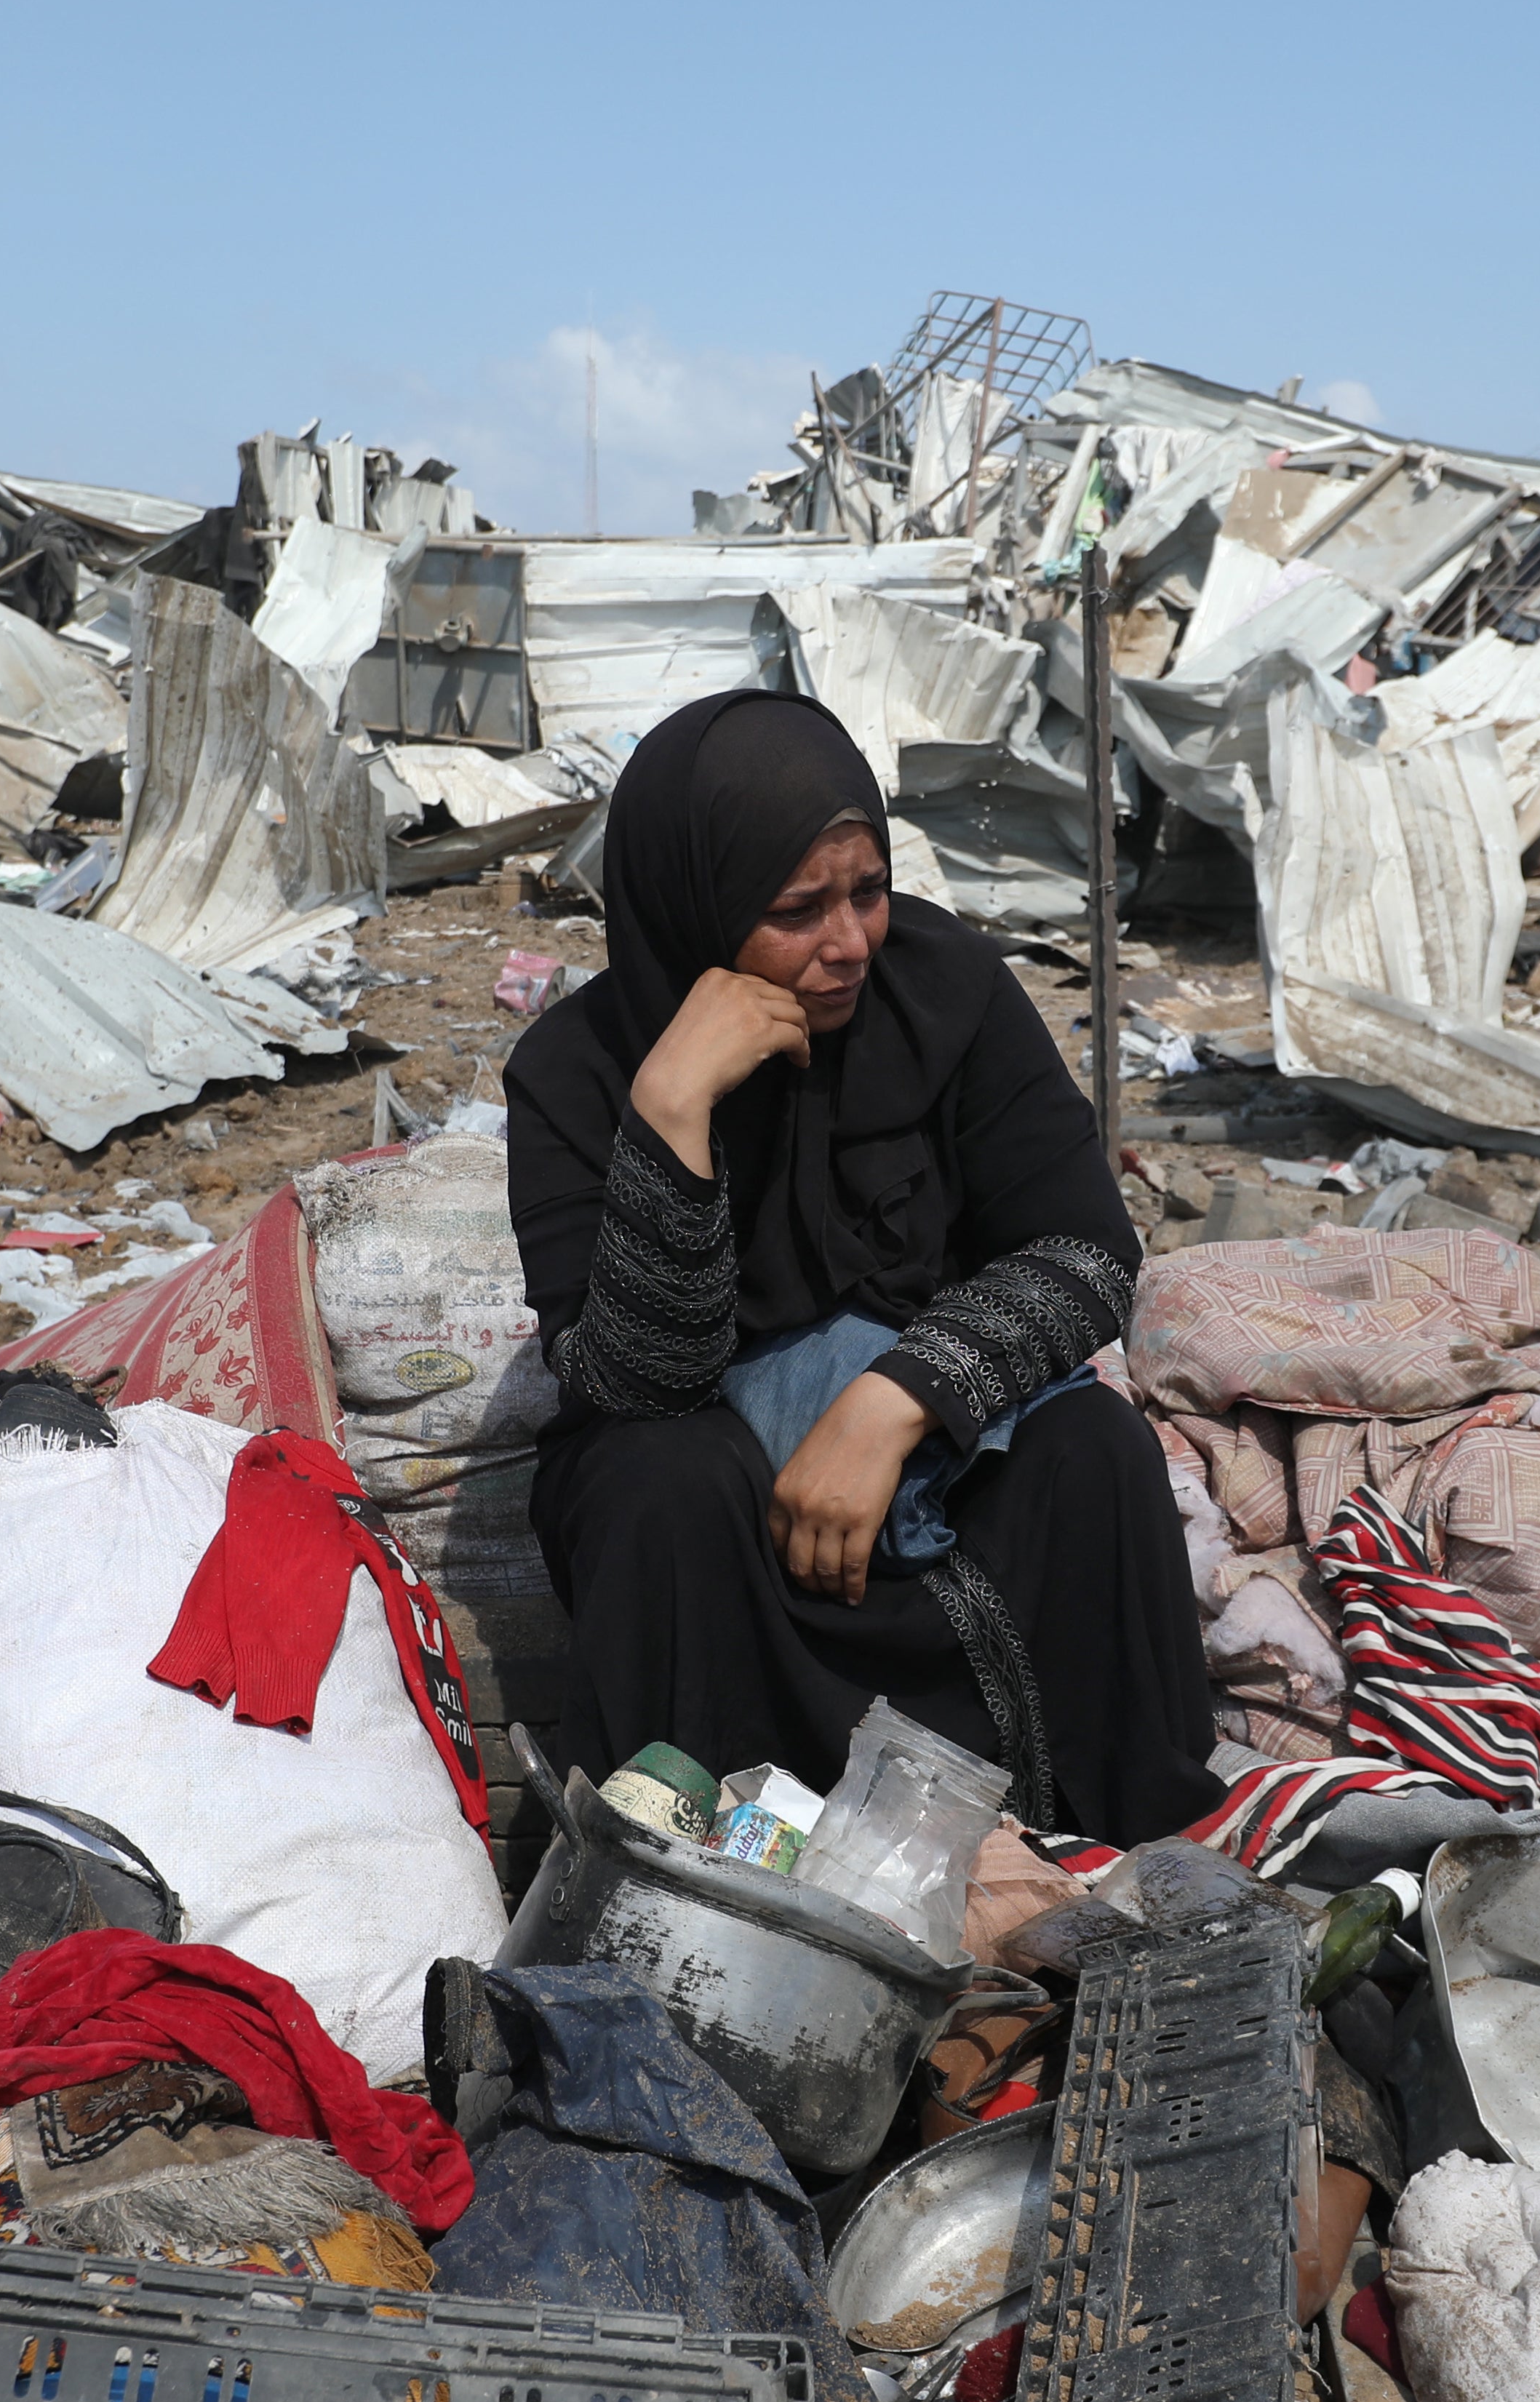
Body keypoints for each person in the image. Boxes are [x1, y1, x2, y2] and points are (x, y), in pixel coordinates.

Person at [503, 691, 1220, 1845]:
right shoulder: (575, 1071)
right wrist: (672, 1115)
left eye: (868, 891)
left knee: (1095, 1449)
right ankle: (722, 1870)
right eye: (796, 909)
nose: (848, 943)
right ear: (692, 908)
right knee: (650, 1484)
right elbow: (630, 1381)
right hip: (728, 1511)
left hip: (936, 1448)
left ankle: (1105, 1849)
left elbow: (1084, 1251)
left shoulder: (946, 992)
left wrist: (889, 1406)